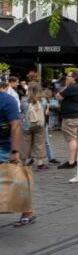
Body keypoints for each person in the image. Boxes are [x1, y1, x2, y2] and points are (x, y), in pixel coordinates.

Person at [0, 81, 35, 226]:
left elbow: (15, 126)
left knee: (15, 179)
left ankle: (27, 211)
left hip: (3, 147)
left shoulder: (7, 101)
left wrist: (15, 151)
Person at [56, 71, 78, 169]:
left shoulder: (72, 87)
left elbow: (58, 96)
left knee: (72, 139)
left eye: (68, 77)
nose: (66, 78)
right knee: (77, 138)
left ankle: (71, 161)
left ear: (74, 78)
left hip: (70, 117)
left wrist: (66, 86)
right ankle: (77, 159)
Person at [23, 86, 47, 171]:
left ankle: (22, 163)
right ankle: (40, 164)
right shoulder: (43, 101)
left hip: (26, 125)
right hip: (39, 125)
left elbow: (21, 111)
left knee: (25, 144)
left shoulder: (23, 101)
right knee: (39, 144)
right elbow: (45, 111)